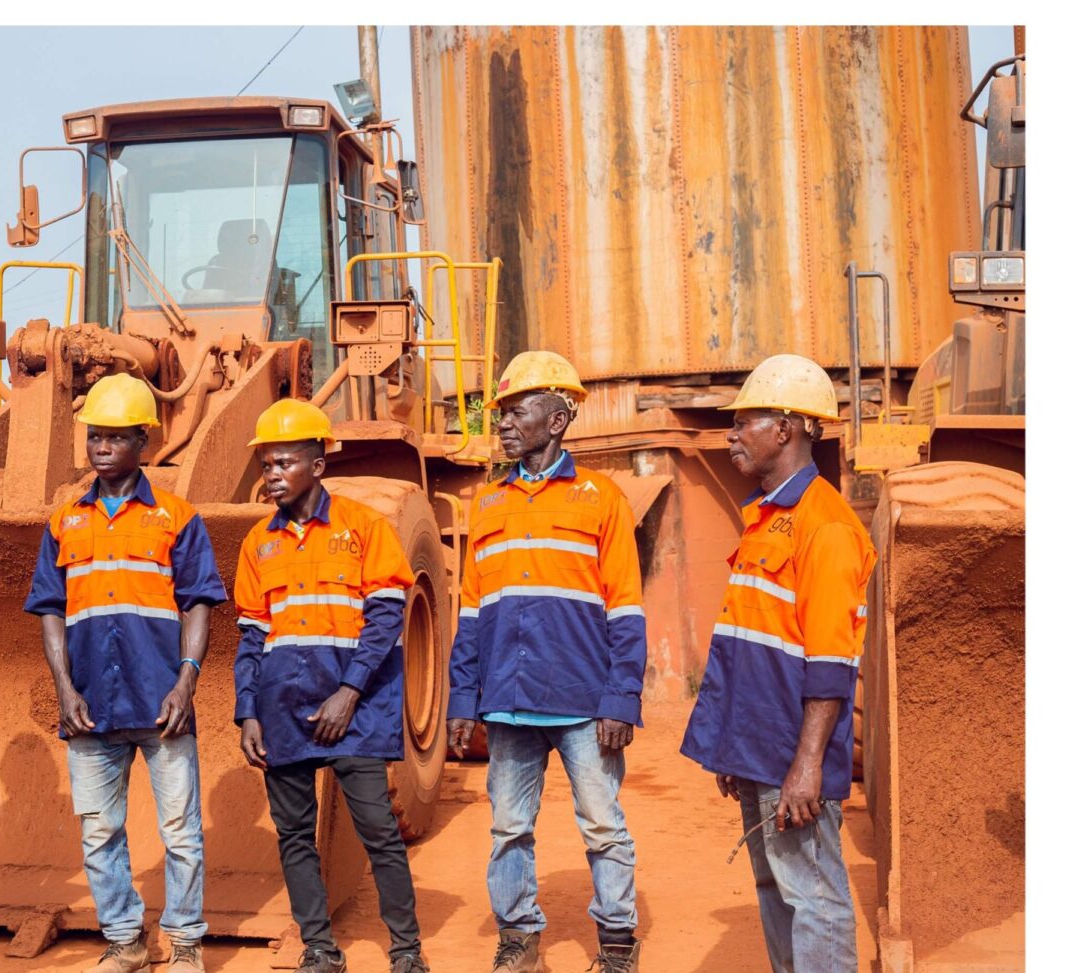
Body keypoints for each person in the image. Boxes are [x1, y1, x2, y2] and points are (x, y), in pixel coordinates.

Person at [446, 351, 646, 973]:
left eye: (517, 410)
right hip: (508, 700)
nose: (503, 422)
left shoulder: (602, 499)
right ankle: (519, 941)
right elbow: (473, 615)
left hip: (585, 703)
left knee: (603, 826)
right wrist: (461, 699)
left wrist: (621, 698)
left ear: (557, 419)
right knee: (509, 828)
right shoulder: (487, 505)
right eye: (500, 412)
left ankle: (616, 947)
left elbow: (627, 611)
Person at [23, 374, 227, 973]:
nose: (102, 447)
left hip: (163, 702)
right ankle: (126, 941)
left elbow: (197, 602)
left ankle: (185, 944)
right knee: (98, 833)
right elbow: (51, 610)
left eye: (116, 437)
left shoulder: (178, 517)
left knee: (181, 834)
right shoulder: (64, 521)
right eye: (95, 436)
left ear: (145, 442)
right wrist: (64, 689)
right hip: (89, 706)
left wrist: (186, 682)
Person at [680, 354, 876, 973]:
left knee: (813, 896)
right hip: (758, 744)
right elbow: (749, 642)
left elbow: (829, 664)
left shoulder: (827, 529)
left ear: (787, 429)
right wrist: (732, 748)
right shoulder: (767, 519)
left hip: (794, 753)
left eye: (745, 422)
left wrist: (807, 766)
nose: (730, 435)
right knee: (775, 887)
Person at [232, 400, 429, 973]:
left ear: (317, 466)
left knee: (378, 833)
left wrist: (348, 693)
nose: (271, 474)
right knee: (294, 836)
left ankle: (407, 951)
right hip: (282, 708)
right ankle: (320, 948)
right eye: (266, 464)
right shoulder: (256, 544)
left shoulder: (364, 528)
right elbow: (251, 638)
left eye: (284, 462)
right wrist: (248, 712)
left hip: (355, 709)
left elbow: (387, 618)